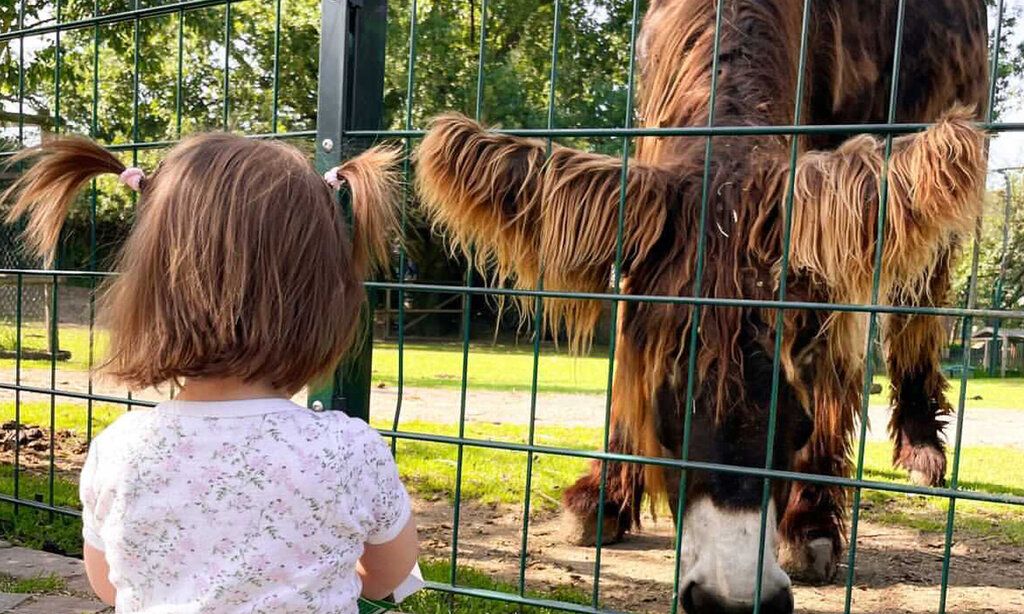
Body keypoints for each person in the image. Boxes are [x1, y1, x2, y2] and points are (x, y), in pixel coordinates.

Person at [2, 133, 416, 613]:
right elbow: (388, 574)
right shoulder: (349, 451)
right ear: (326, 299)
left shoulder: (120, 448)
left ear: (152, 292)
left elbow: (110, 584)